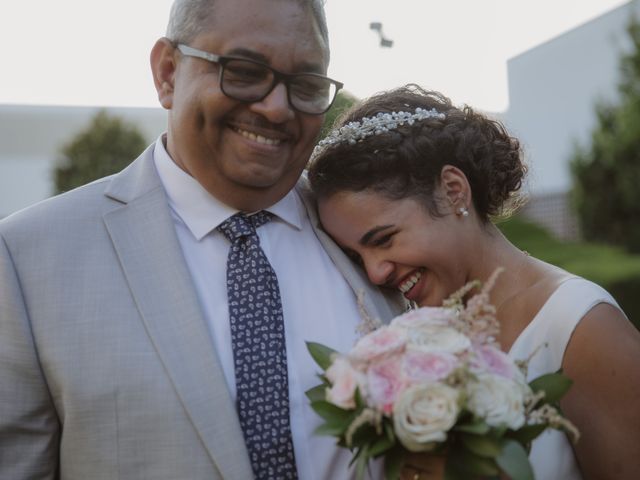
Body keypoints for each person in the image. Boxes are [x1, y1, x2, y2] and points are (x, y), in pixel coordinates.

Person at [0, 0, 404, 478]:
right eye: (245, 70)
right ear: (168, 72)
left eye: (306, 85)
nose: (276, 108)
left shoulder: (381, 242)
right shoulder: (27, 259)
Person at [308, 84, 640, 479]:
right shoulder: (410, 344)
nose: (376, 272)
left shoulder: (582, 328)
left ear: (453, 191)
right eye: (355, 257)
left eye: (383, 240)